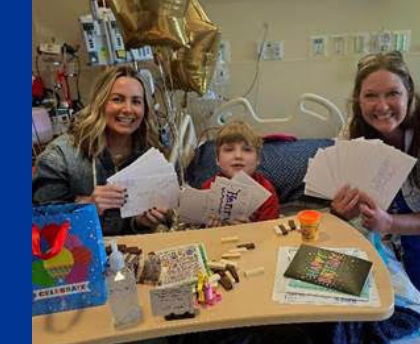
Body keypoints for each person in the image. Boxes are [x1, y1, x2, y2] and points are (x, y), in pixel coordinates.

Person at [330, 51, 420, 344]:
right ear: (358, 100)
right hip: (402, 212)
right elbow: (350, 195)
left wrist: (390, 222)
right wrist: (342, 211)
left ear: (410, 94)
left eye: (393, 93)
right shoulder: (351, 134)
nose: (382, 106)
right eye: (370, 95)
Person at [33, 65, 171, 234]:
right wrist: (85, 208)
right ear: (100, 103)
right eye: (117, 99)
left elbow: (126, 228)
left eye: (136, 101)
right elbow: (41, 227)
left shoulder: (148, 155)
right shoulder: (59, 158)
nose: (127, 109)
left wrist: (140, 222)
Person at [199, 121, 280, 225]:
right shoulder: (207, 189)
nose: (238, 155)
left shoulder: (267, 193)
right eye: (229, 150)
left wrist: (248, 230)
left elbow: (270, 234)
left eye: (247, 150)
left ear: (258, 159)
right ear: (217, 160)